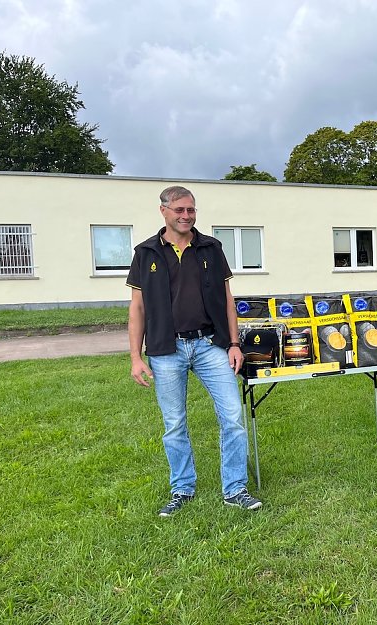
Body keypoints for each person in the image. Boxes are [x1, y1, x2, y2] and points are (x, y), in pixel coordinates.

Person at [127, 185, 262, 516]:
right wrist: (135, 356)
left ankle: (235, 488)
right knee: (174, 423)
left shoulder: (211, 248)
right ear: (164, 212)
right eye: (179, 210)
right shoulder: (146, 253)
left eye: (191, 210)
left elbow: (228, 299)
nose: (186, 216)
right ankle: (182, 488)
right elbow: (137, 308)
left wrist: (233, 343)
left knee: (232, 417)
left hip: (209, 345)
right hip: (165, 349)